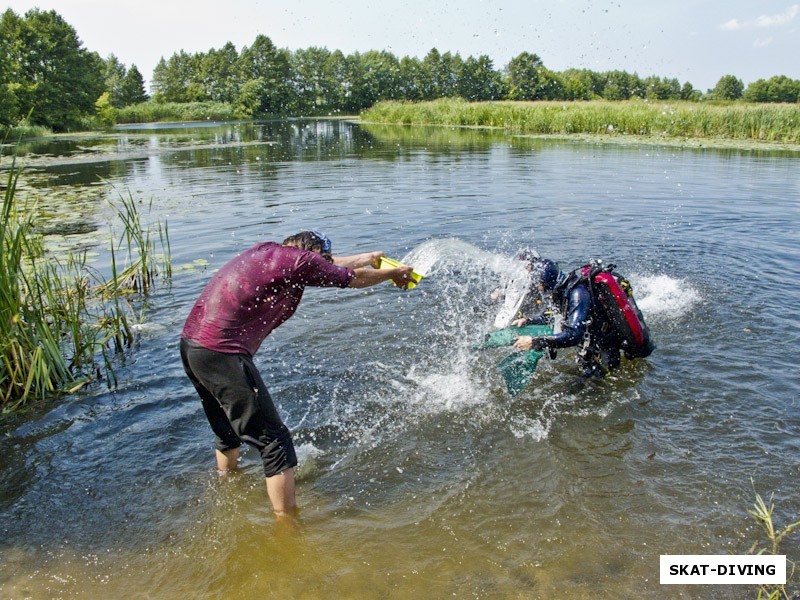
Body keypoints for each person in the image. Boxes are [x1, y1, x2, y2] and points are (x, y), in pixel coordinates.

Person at [180, 231, 414, 518]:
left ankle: (226, 484)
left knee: (227, 429)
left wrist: (367, 258)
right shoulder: (303, 262)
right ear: (313, 252)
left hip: (193, 347)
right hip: (223, 353)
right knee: (274, 441)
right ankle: (287, 527)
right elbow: (351, 278)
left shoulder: (271, 252)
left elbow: (326, 265)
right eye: (324, 256)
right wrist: (394, 273)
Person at [511, 258, 623, 377]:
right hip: (590, 345)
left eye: (537, 282)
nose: (536, 285)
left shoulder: (577, 294)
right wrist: (528, 320)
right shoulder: (561, 290)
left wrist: (535, 341)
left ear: (546, 280)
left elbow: (574, 335)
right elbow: (550, 316)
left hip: (604, 348)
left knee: (600, 383)